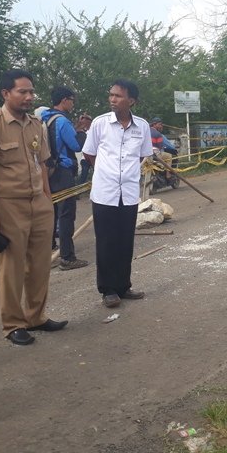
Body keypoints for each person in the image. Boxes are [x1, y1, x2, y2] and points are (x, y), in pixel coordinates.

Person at [0, 69, 68, 346]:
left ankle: (36, 316)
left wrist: (47, 201)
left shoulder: (37, 124)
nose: (28, 97)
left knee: (40, 265)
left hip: (38, 203)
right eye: (22, 92)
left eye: (31, 92)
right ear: (5, 93)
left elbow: (43, 165)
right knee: (11, 268)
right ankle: (13, 323)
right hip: (8, 205)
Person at [83, 79, 152, 308]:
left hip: (129, 192)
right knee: (106, 242)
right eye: (111, 95)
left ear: (131, 101)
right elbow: (89, 154)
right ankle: (108, 290)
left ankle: (124, 286)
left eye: (118, 96)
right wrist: (106, 173)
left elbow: (142, 156)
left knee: (125, 241)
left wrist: (126, 175)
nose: (112, 99)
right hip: (105, 192)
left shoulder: (142, 126)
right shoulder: (100, 123)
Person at [41, 86, 89, 271]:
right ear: (64, 100)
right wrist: (82, 132)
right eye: (72, 99)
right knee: (66, 214)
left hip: (48, 171)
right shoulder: (62, 121)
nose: (73, 103)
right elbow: (75, 145)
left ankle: (49, 250)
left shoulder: (46, 118)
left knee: (50, 213)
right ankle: (67, 257)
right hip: (63, 172)